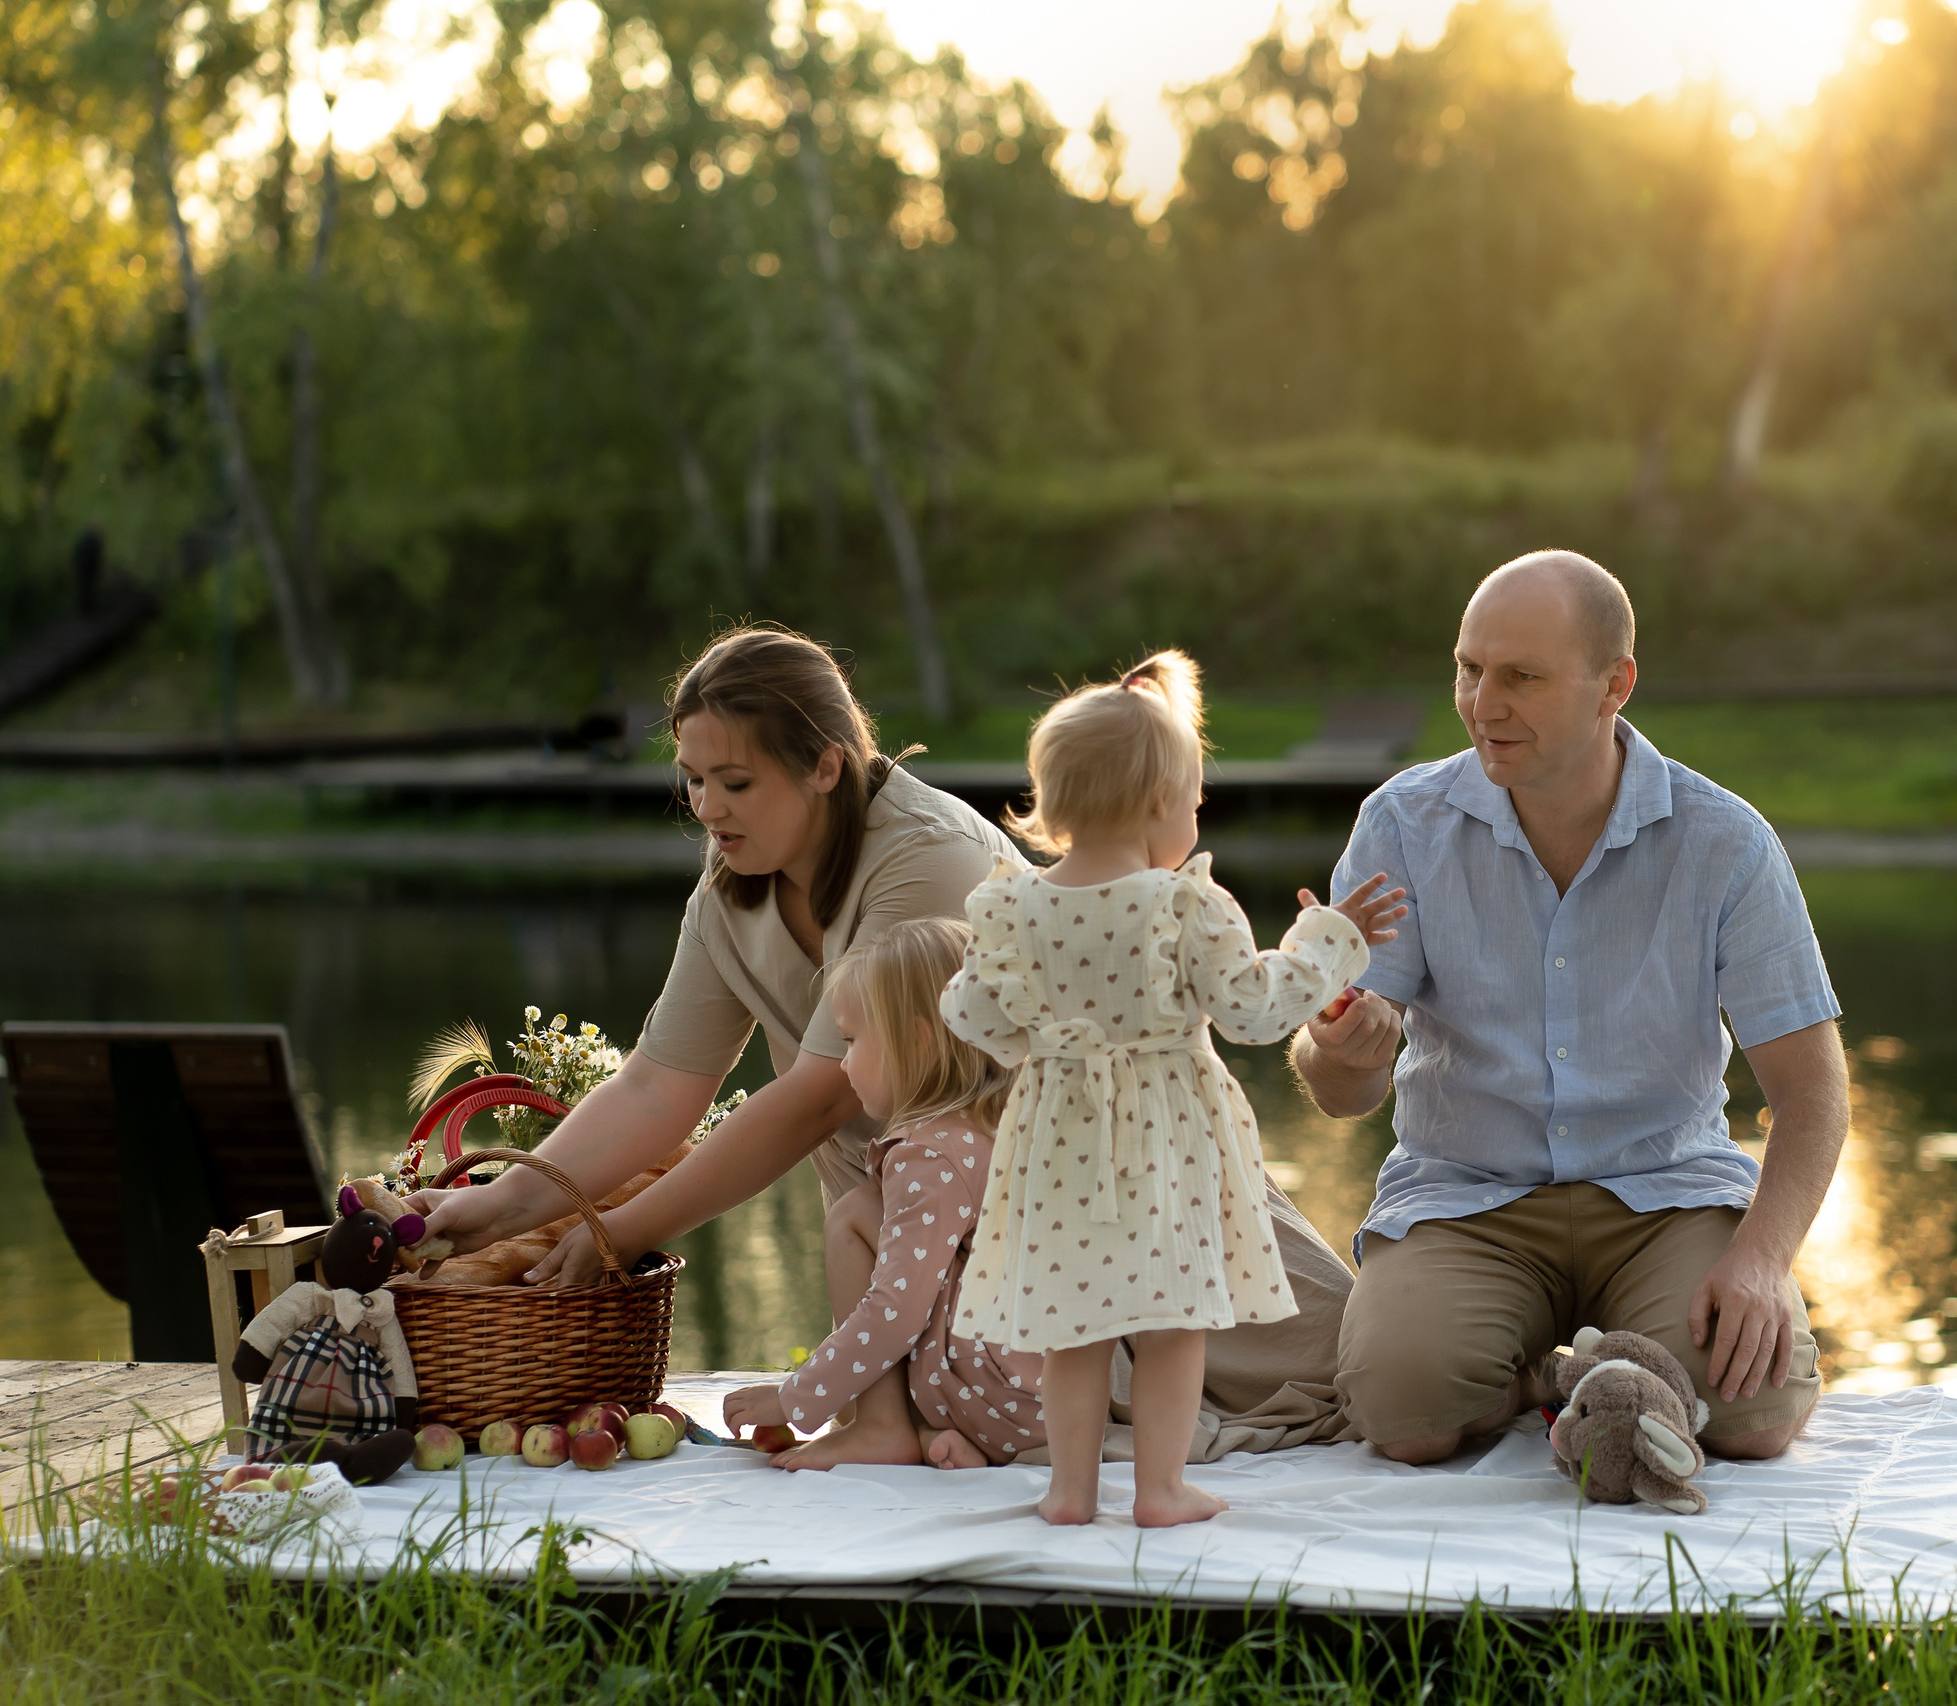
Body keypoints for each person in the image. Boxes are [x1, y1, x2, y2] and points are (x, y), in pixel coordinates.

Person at [417, 624, 1370, 1456]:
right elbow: (659, 1085)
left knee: (1355, 1371)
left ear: (826, 765)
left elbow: (823, 1094)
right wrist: (501, 1206)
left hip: (1110, 1182)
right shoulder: (728, 892)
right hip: (923, 1231)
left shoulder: (928, 856)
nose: (707, 807)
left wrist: (621, 1232)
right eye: (694, 780)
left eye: (736, 782)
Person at [1292, 551, 1850, 1467]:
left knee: (1751, 1417)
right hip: (1469, 1196)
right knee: (1404, 1416)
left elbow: (1813, 1092)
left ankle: (1602, 1364)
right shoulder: (1401, 824)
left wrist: (1759, 1259)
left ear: (1614, 685)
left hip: (1666, 1194)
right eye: (1469, 669)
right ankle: (1551, 1379)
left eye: (1522, 677)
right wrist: (1341, 1049)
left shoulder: (1726, 842)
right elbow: (1341, 1093)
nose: (1483, 703)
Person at [940, 651, 1404, 1527]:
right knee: (1173, 1320)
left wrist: (1050, 1037)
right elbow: (1255, 1010)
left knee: (1073, 1323)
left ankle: (1069, 1491)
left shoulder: (1011, 908)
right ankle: (1160, 1489)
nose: (1196, 815)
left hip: (1056, 1134)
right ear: (1160, 802)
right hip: (1166, 1136)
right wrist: (1327, 938)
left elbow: (971, 1015)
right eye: (1194, 800)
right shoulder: (1184, 904)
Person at [722, 917, 1049, 1472]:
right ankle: (934, 1435)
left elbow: (896, 1311)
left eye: (851, 1040)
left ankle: (881, 1427)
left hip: (1003, 1399)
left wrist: (795, 1396)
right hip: (1053, 1393)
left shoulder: (929, 1155)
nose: (844, 1061)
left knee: (852, 1215)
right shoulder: (1009, 1122)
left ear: (917, 1042)